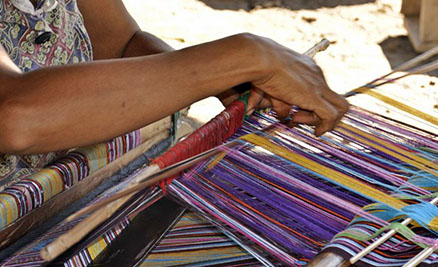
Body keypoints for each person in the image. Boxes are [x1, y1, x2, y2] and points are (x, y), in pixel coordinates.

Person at [0, 0, 349, 157]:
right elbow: (13, 116)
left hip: (56, 209)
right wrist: (246, 56)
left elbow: (120, 43)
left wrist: (221, 79)